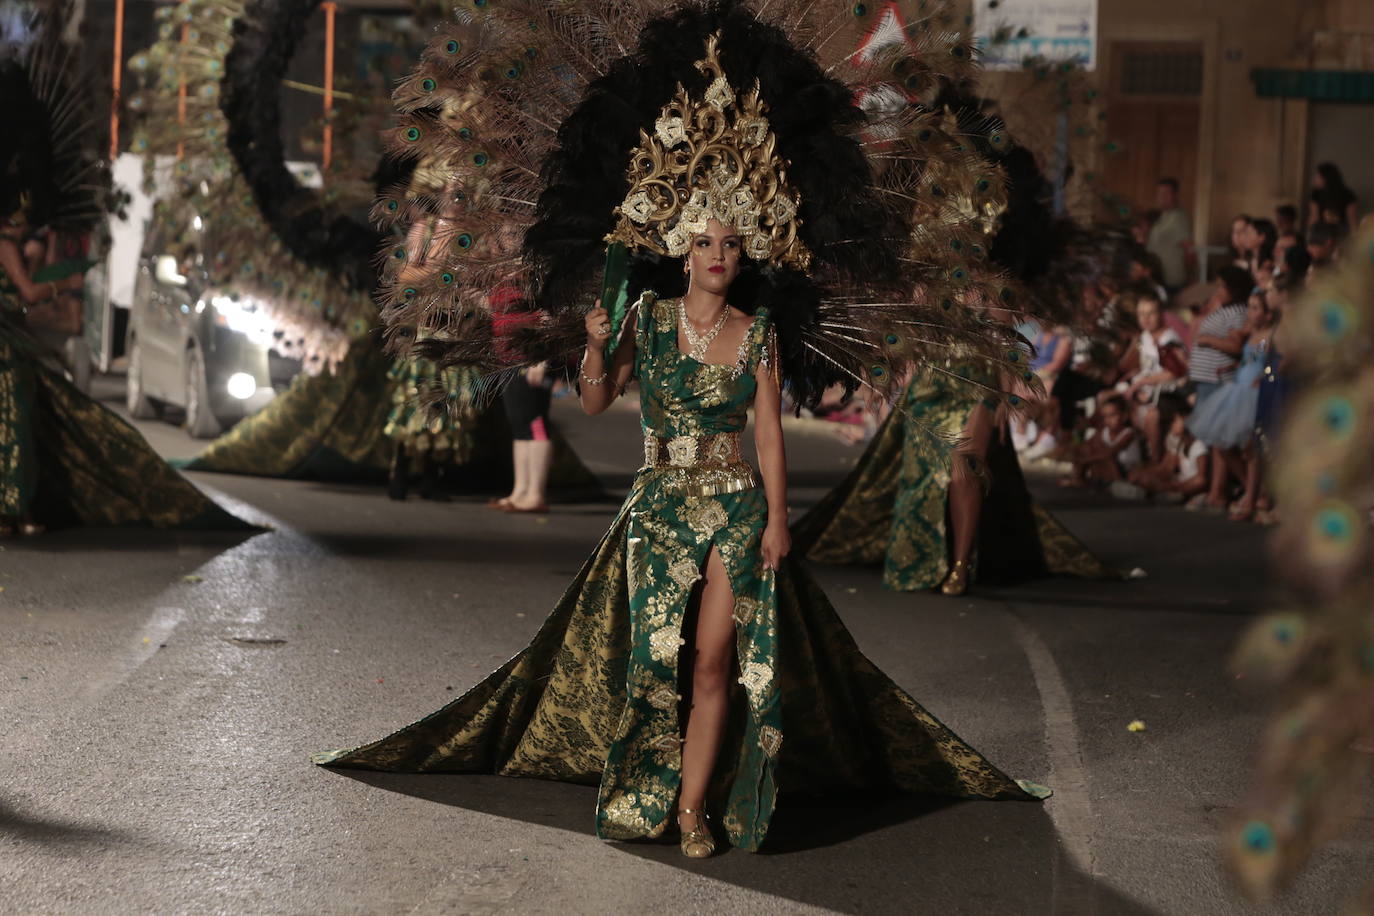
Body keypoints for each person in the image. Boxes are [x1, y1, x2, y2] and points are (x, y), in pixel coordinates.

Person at [316, 13, 1049, 858]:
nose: (718, 254)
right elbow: (594, 404)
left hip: (735, 505)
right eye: (704, 240)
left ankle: (696, 807)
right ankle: (646, 789)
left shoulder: (761, 334)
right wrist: (595, 346)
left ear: (747, 251)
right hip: (661, 503)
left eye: (732, 243)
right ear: (681, 244)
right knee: (655, 667)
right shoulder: (650, 321)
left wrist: (778, 521)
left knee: (714, 667)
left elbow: (769, 435)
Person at [1188, 289, 1276, 519]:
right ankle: (1253, 489)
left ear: (1268, 314)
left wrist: (1266, 377)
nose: (1250, 312)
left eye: (1256, 308)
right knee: (1220, 444)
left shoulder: (1271, 335)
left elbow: (1272, 364)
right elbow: (1250, 359)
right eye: (1250, 306)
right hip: (1238, 388)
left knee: (1250, 447)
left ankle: (1254, 495)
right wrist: (1234, 368)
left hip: (1254, 393)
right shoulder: (1254, 334)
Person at [1127, 393, 1208, 503]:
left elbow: (1201, 479)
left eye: (1173, 421)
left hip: (1186, 486)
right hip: (1179, 482)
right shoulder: (1180, 443)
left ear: (1185, 418)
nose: (1170, 425)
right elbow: (1166, 468)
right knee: (1145, 479)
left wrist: (1174, 487)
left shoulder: (1198, 445)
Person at [1187, 265, 1251, 404]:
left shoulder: (1238, 312)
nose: (1218, 291)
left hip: (1215, 379)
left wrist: (1209, 340)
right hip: (1206, 379)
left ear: (1234, 288)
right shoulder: (1226, 309)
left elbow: (1236, 346)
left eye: (1222, 287)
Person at [1065, 394, 1142, 486]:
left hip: (1125, 471)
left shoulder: (1128, 433)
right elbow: (1085, 445)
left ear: (1124, 416)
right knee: (1086, 448)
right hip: (1107, 468)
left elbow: (1109, 453)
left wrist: (1085, 460)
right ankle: (1078, 479)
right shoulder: (1103, 432)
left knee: (1104, 457)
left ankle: (1117, 483)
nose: (1108, 420)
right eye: (1105, 416)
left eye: (1112, 415)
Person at [1145, 177, 1192, 291]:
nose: (1162, 198)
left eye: (1166, 193)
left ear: (1175, 195)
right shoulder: (1162, 216)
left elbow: (1189, 249)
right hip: (1158, 277)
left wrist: (1190, 275)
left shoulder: (1179, 218)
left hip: (1172, 279)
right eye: (1160, 194)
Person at [1307, 162, 1359, 232]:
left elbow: (1352, 220)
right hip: (1320, 233)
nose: (1315, 179)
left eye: (1318, 177)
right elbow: (1314, 217)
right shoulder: (1316, 194)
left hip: (1341, 232)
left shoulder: (1347, 195)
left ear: (1326, 178)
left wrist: (1354, 237)